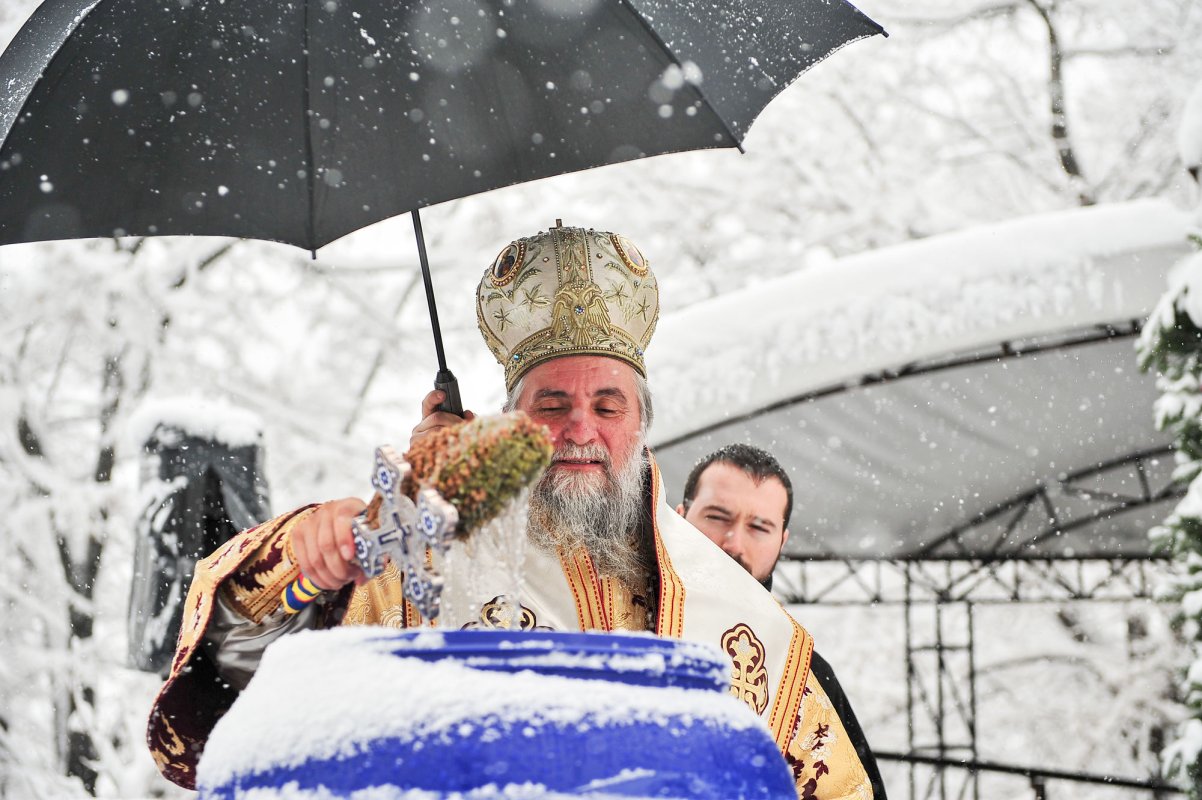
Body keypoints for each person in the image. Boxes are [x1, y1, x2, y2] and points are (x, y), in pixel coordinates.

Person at [147, 223, 873, 799]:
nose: (579, 429)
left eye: (606, 405)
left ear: (642, 424)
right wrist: (301, 562)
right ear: (511, 420)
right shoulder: (419, 558)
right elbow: (220, 724)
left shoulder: (733, 608)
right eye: (551, 404)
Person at [677, 444, 888, 799]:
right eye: (717, 517)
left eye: (759, 527)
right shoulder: (613, 621)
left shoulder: (806, 674)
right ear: (680, 517)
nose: (733, 543)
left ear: (781, 542)